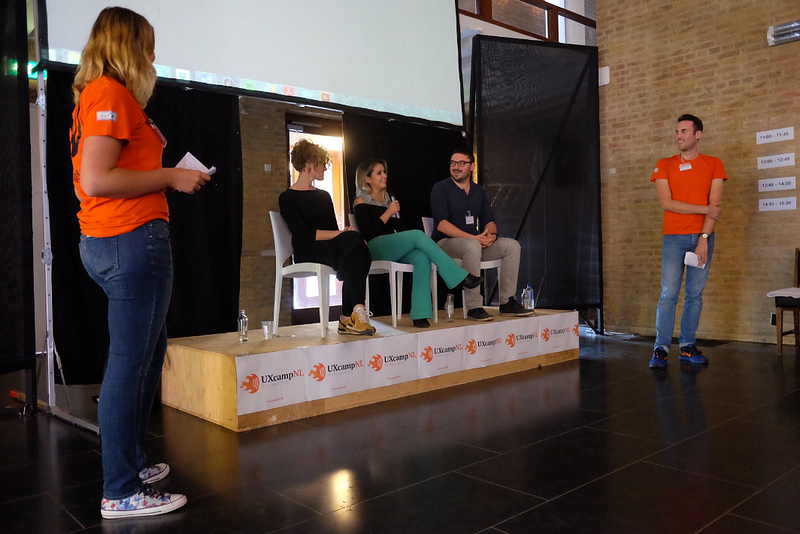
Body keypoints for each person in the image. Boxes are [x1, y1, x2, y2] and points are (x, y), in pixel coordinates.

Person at [71, 7, 211, 519]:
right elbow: (97, 180)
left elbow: (105, 175)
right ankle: (121, 490)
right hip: (128, 239)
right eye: (148, 45)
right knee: (130, 364)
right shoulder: (108, 93)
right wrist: (171, 177)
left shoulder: (106, 95)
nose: (154, 55)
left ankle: (129, 464)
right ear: (128, 46)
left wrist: (166, 177)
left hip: (116, 239)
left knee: (147, 357)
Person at [353, 159, 483, 328]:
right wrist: (388, 212)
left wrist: (395, 217)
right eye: (379, 173)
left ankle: (420, 313)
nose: (384, 175)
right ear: (367, 179)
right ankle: (457, 276)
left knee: (421, 256)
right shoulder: (361, 201)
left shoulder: (388, 198)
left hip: (394, 245)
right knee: (417, 235)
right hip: (374, 247)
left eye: (384, 172)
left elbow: (400, 228)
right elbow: (368, 232)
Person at [649, 114, 726, 369]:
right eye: (677, 132)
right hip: (674, 238)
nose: (679, 136)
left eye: (684, 131)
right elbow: (667, 203)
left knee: (695, 295)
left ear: (697, 134)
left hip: (703, 238)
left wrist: (704, 238)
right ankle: (660, 348)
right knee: (669, 293)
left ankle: (687, 346)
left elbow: (716, 206)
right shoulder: (665, 164)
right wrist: (704, 209)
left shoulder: (714, 164)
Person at [279, 140, 375, 335]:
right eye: (322, 163)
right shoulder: (287, 197)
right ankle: (351, 316)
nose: (325, 167)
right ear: (309, 164)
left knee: (355, 245)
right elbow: (303, 234)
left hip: (330, 248)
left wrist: (345, 234)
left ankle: (353, 314)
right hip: (307, 250)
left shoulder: (323, 196)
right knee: (354, 245)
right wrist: (344, 234)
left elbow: (332, 230)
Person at [430, 148, 533, 321]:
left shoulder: (478, 190)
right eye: (453, 163)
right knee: (472, 245)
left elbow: (489, 221)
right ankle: (474, 306)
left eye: (461, 163)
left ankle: (507, 301)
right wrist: (475, 238)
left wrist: (491, 236)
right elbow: (442, 225)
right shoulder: (441, 188)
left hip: (474, 245)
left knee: (512, 246)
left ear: (472, 166)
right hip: (445, 244)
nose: (456, 167)